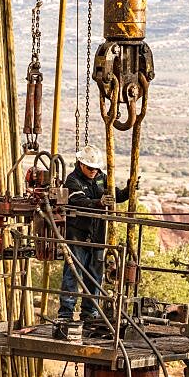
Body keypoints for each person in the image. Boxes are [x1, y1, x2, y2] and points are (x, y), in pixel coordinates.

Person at [53, 144, 130, 340]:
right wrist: (98, 203)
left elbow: (114, 196)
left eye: (96, 168)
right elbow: (78, 201)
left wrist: (128, 191)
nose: (94, 171)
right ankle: (66, 316)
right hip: (77, 236)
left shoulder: (103, 178)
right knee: (73, 275)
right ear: (80, 164)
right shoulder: (73, 181)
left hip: (97, 237)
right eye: (90, 168)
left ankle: (90, 314)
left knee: (95, 276)